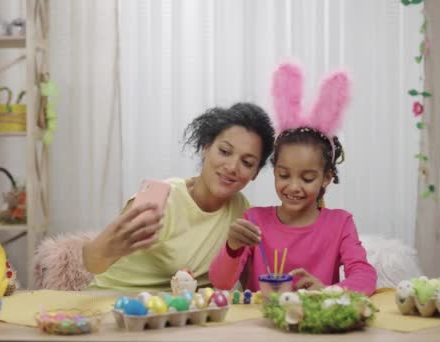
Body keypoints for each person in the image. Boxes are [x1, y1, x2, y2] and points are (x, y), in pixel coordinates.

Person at [209, 64, 377, 296]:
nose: (293, 187)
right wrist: (232, 247)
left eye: (307, 178)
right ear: (274, 170)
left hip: (314, 326)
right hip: (261, 326)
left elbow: (365, 277)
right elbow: (221, 282)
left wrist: (329, 292)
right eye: (284, 175)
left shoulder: (340, 224)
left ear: (327, 177)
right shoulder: (254, 219)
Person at [82, 102, 275, 291]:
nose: (232, 167)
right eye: (224, 152)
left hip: (175, 314)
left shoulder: (241, 209)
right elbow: (93, 262)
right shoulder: (160, 198)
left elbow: (244, 282)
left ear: (255, 173)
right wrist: (106, 245)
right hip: (115, 302)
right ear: (206, 147)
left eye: (247, 162)